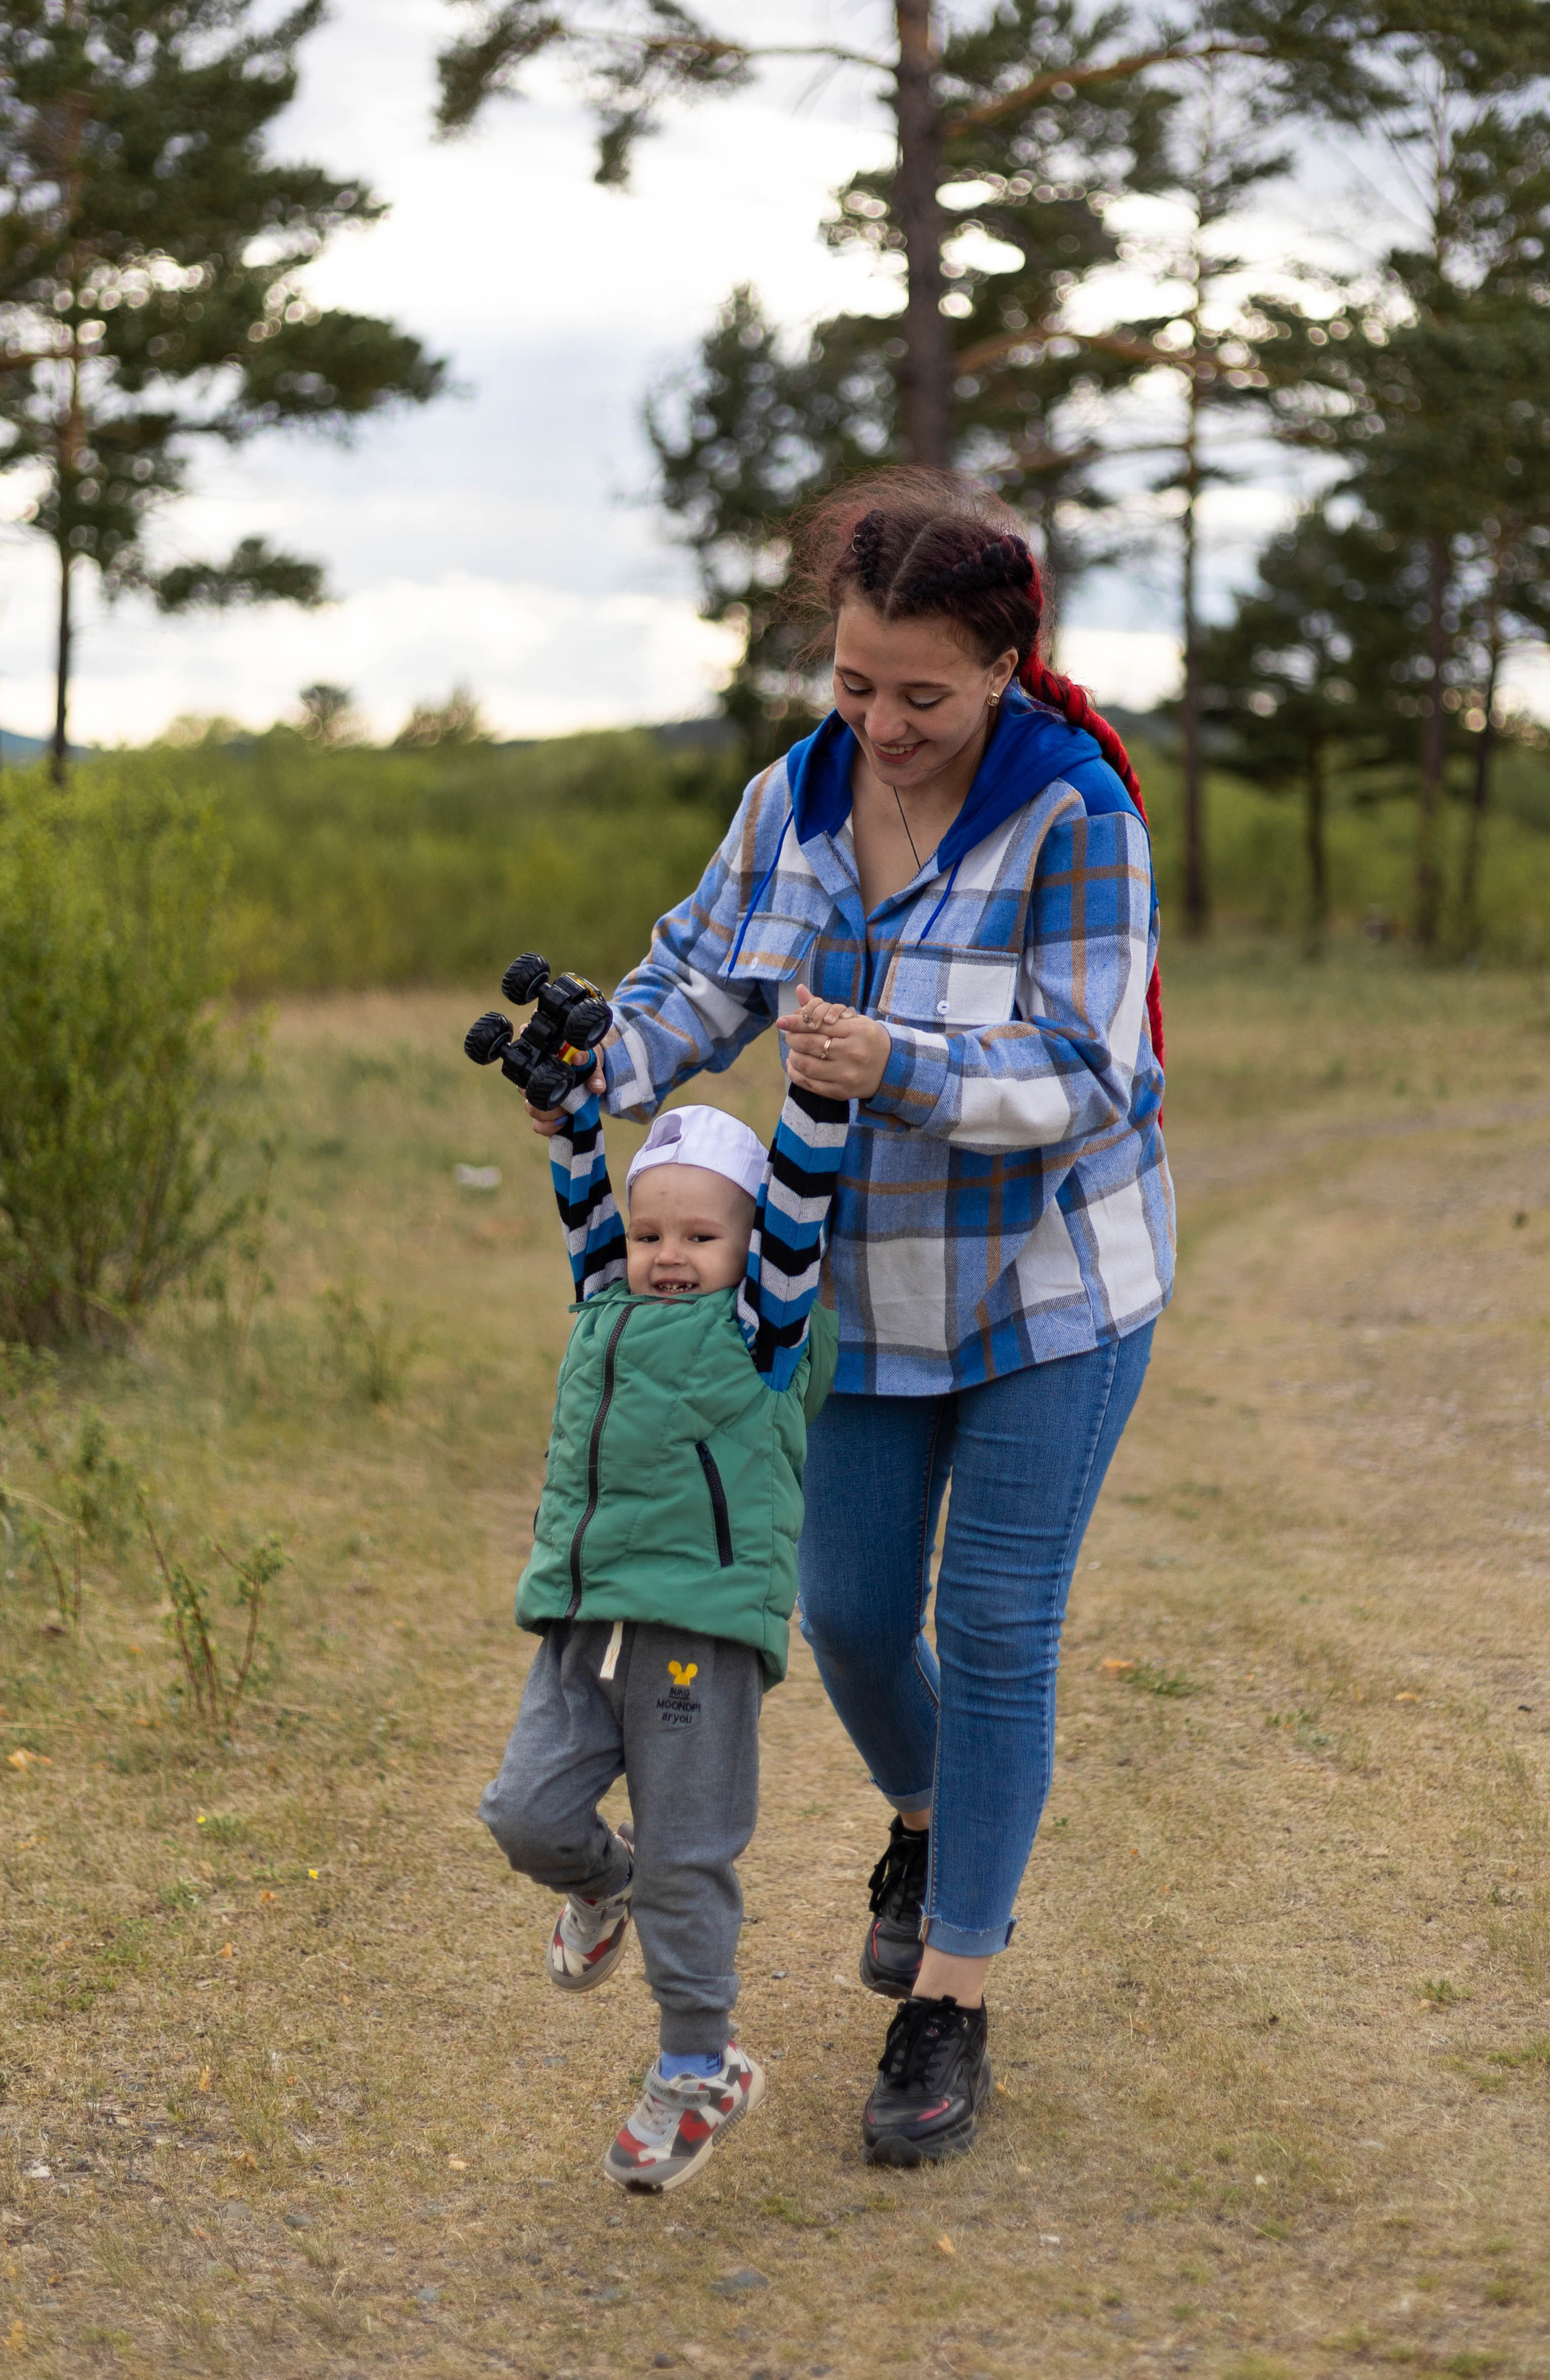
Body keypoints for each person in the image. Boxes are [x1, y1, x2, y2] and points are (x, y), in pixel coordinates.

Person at [528, 467, 1173, 2166]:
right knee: (849, 1614)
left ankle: (949, 1997)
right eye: (854, 684)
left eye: (924, 695)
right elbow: (696, 980)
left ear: (1005, 667)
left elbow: (1099, 1074)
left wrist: (902, 1062)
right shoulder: (791, 802)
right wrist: (607, 1065)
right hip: (858, 1295)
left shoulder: (1074, 815)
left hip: (1052, 1286)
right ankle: (929, 1813)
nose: (881, 725)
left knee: (1001, 1623)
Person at [479, 1064, 847, 2192]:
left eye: (701, 1234)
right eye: (651, 1234)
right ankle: (602, 1881)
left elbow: (795, 1207)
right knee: (526, 1812)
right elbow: (588, 1215)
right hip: (587, 1622)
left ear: (751, 1248)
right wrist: (571, 1125)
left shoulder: (764, 1336)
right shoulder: (611, 1306)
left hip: (698, 1630)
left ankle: (699, 2065)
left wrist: (816, 1094)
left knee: (689, 1858)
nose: (669, 1253)